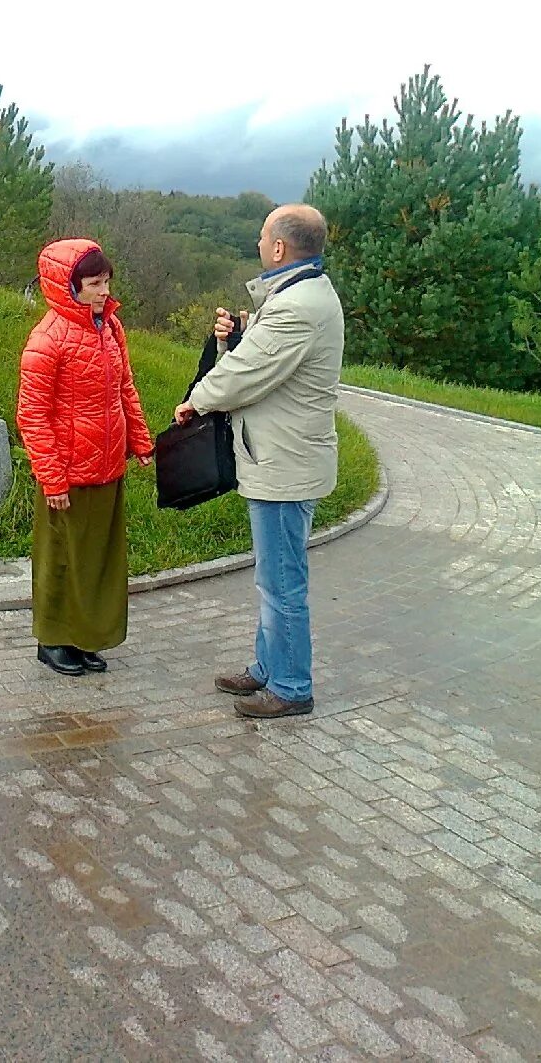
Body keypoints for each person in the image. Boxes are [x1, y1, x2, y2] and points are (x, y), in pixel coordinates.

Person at [173, 204, 344, 718]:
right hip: (280, 459)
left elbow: (248, 373)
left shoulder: (297, 307)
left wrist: (197, 400)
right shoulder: (301, 294)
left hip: (284, 467)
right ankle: (269, 667)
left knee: (281, 582)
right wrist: (239, 330)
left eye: (261, 239)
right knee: (273, 577)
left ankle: (291, 687)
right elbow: (262, 354)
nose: (257, 246)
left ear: (278, 249)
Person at [18, 239, 154, 676]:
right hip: (69, 473)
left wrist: (140, 441)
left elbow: (124, 388)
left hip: (107, 465)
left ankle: (85, 637)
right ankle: (54, 640)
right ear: (66, 285)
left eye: (106, 280)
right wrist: (52, 479)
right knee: (62, 556)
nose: (103, 290)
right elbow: (32, 415)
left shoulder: (110, 328)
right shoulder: (47, 340)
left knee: (97, 558)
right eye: (93, 283)